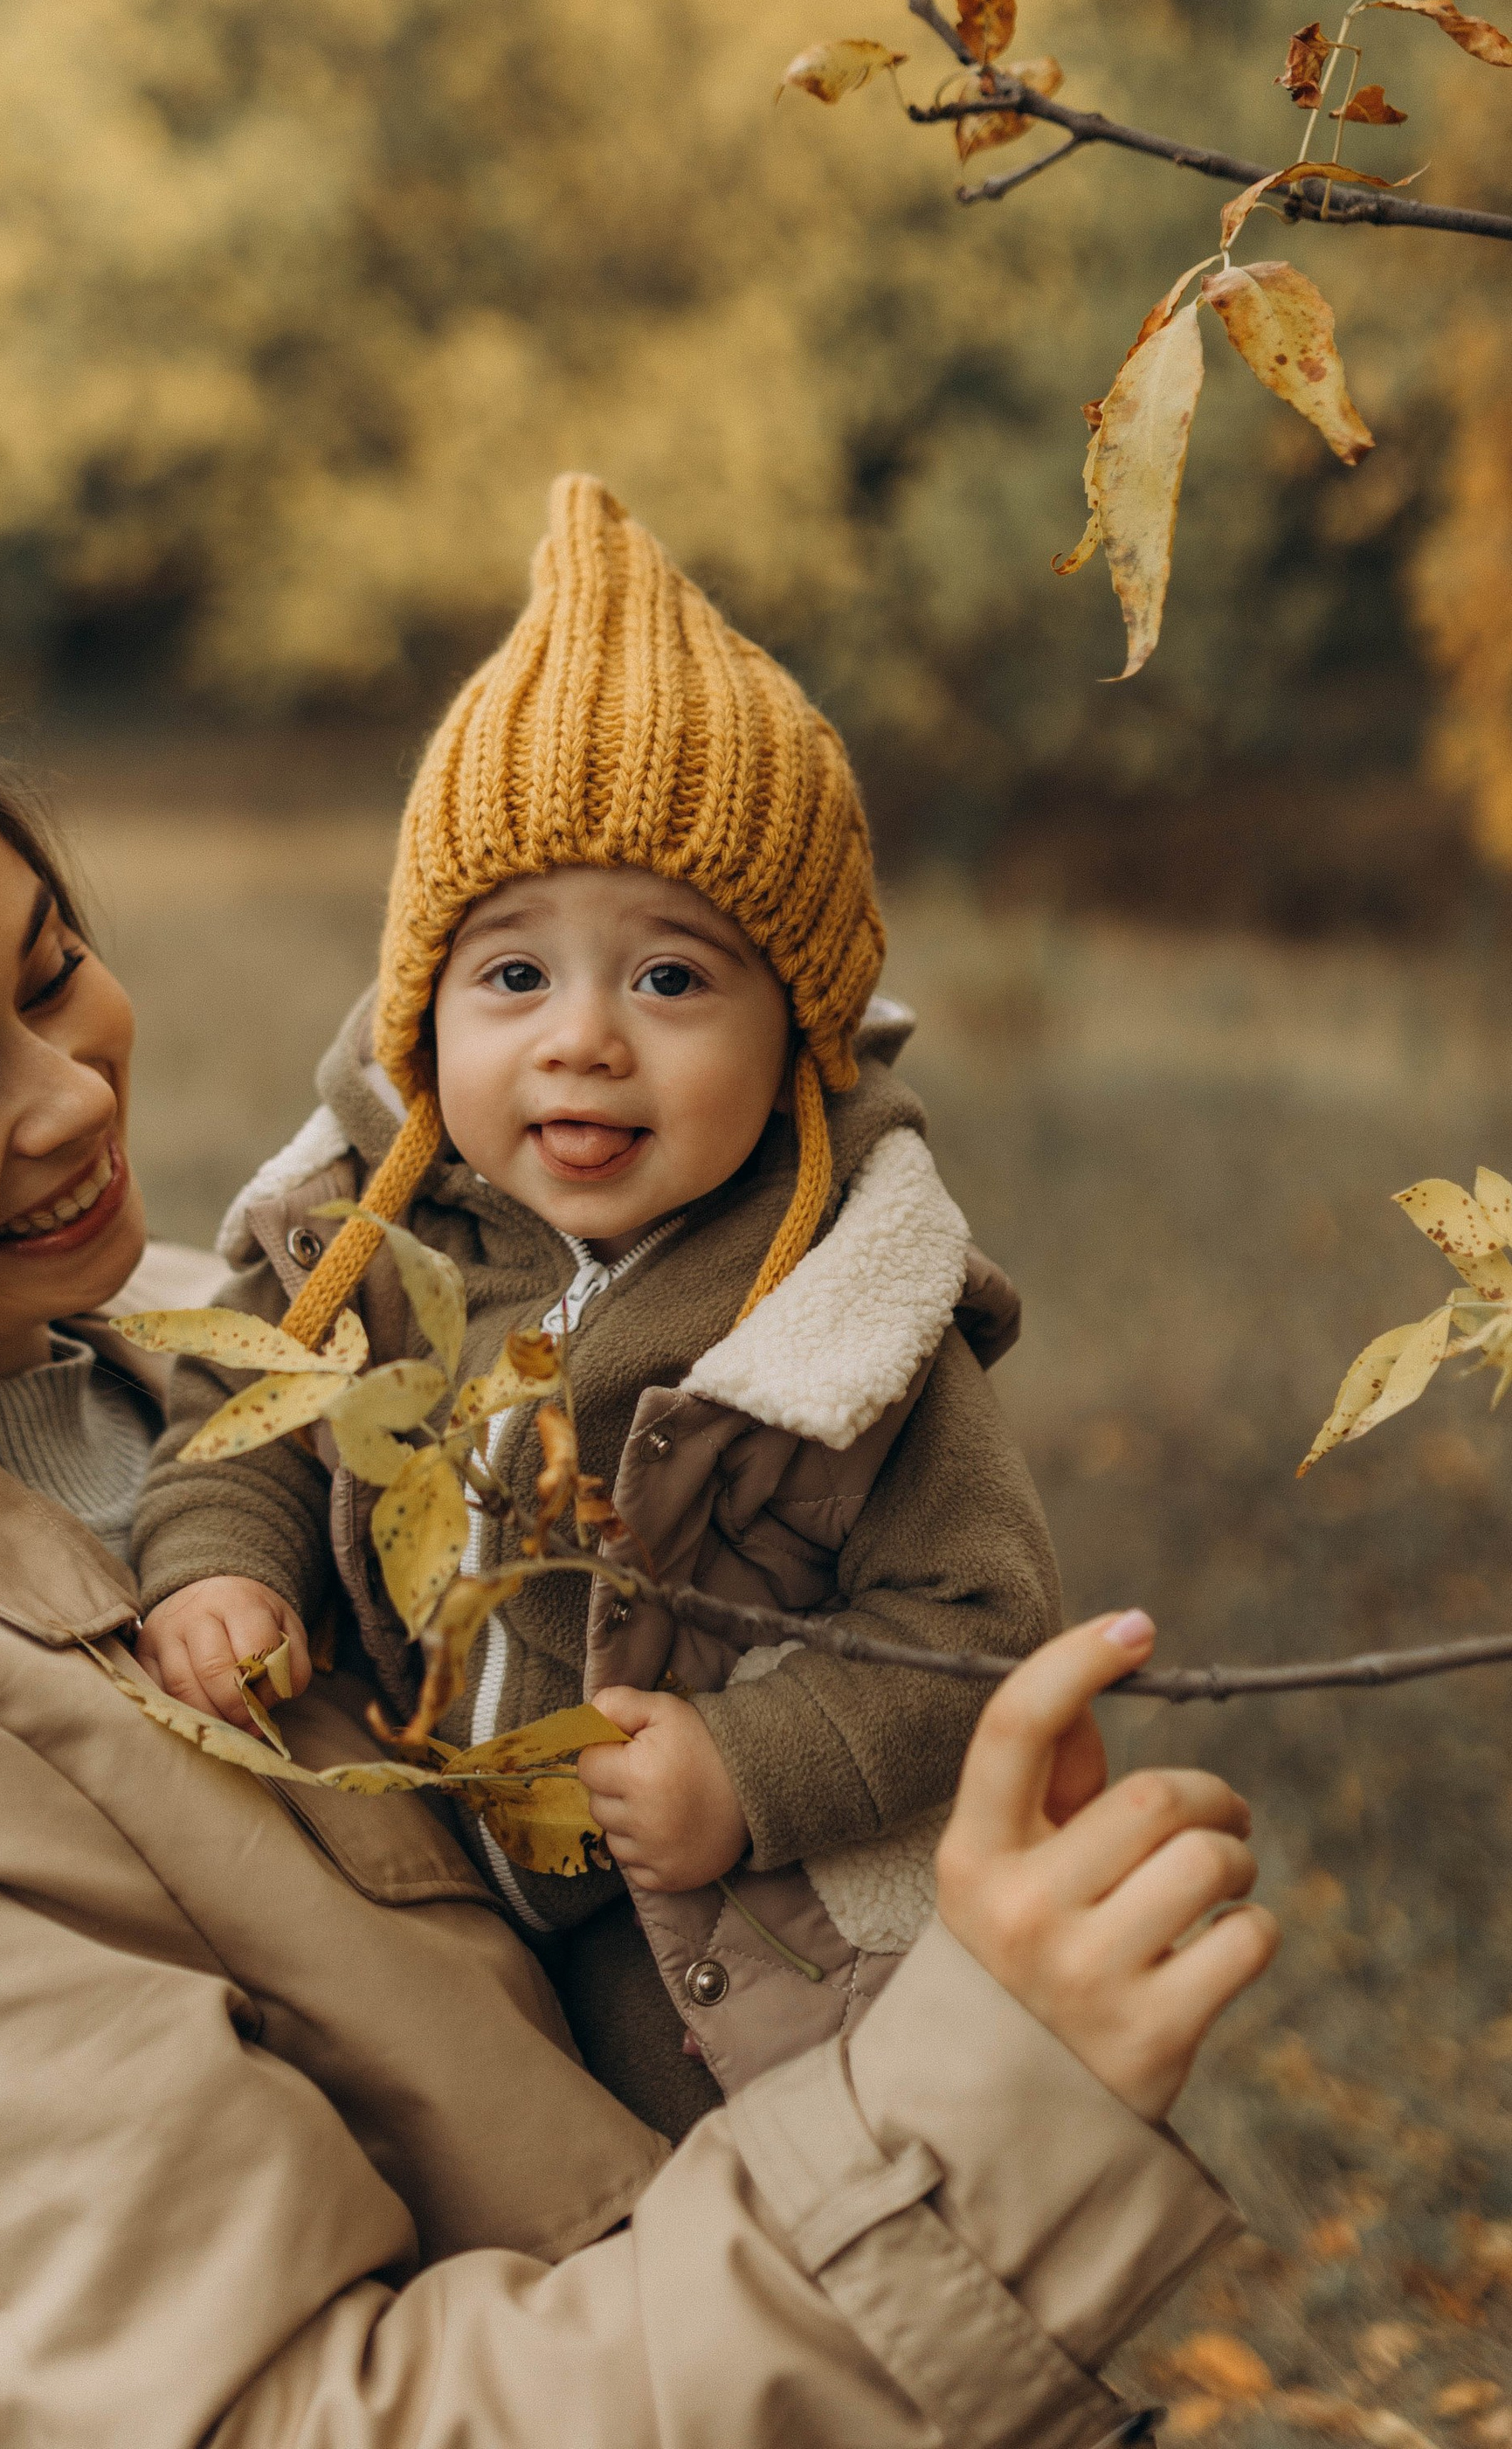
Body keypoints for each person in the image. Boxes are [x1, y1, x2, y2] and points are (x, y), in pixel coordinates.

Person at [0, 672, 1275, 2449]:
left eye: (48, 974)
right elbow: (267, 2418)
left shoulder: (262, 1344)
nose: (70, 1100)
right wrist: (978, 2111)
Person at [135, 474, 1055, 2135]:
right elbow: (253, 1421)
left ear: (803, 1036)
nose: (580, 1038)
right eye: (511, 975)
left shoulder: (839, 1316)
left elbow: (979, 1632)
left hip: (720, 1941)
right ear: (421, 1012)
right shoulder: (363, 1230)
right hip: (420, 1858)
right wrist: (220, 1562)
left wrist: (746, 1773)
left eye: (672, 977)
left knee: (773, 2251)